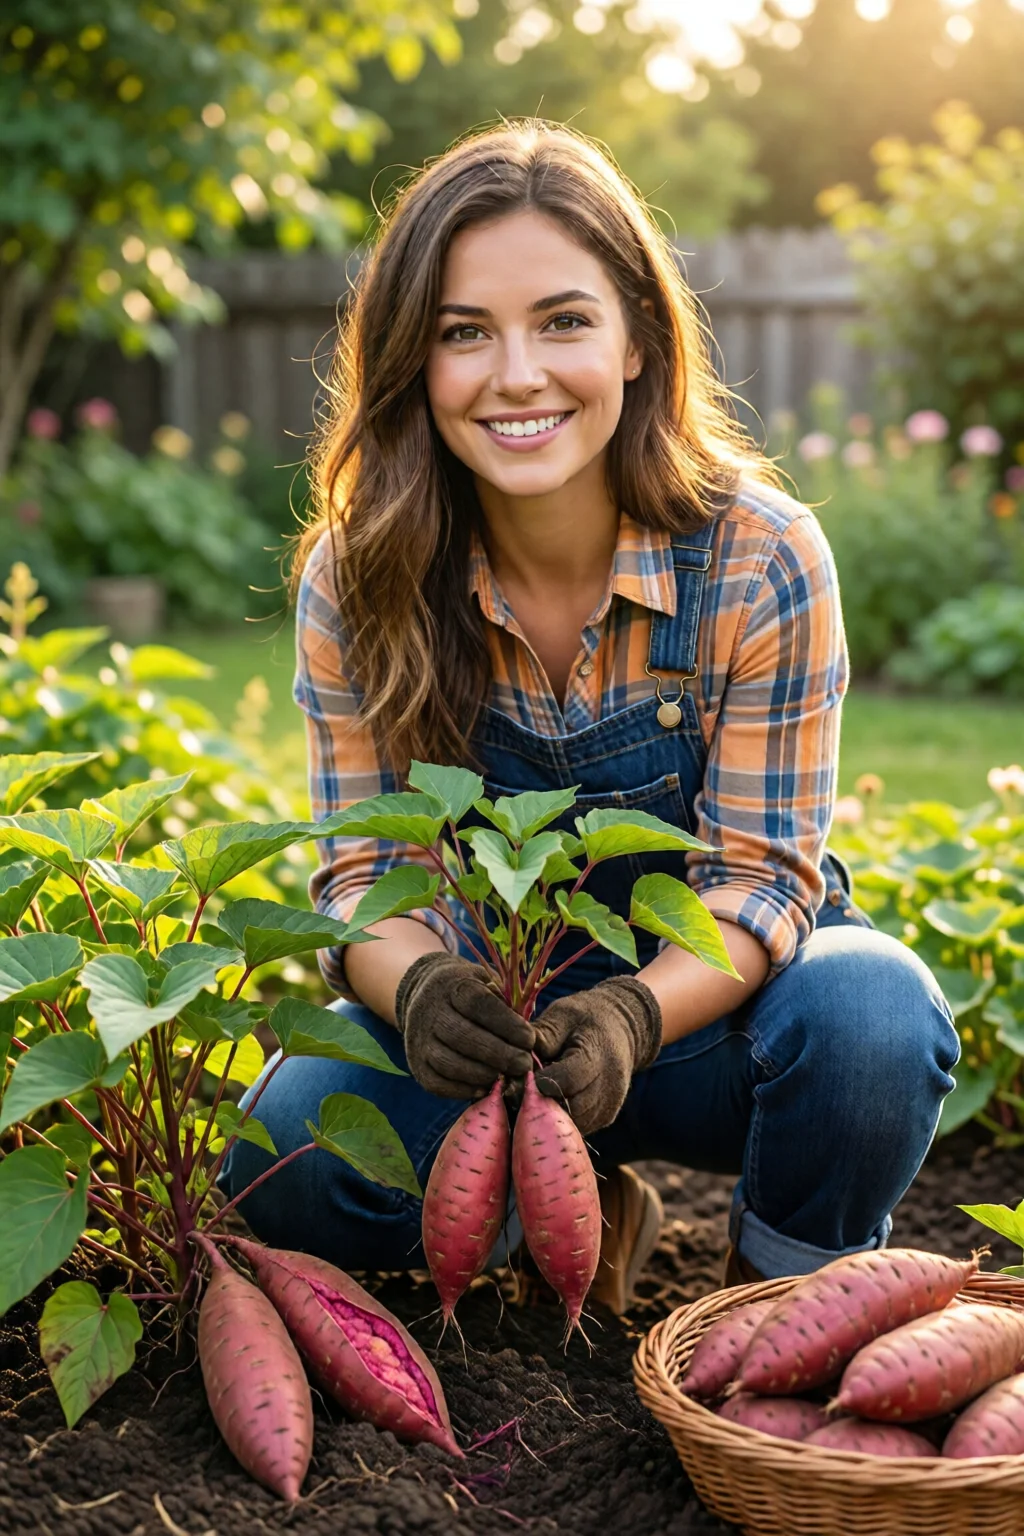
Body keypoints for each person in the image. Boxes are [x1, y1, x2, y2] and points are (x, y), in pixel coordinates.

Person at [221, 121, 958, 1314]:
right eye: (465, 333)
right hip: (486, 1058)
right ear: (416, 362)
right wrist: (415, 992)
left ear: (634, 342)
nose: (516, 374)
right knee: (285, 1152)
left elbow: (765, 880)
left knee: (872, 1013)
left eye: (562, 320)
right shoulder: (360, 579)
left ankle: (768, 1305)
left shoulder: (759, 558)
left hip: (714, 1033)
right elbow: (361, 876)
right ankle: (558, 1218)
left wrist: (627, 1012)